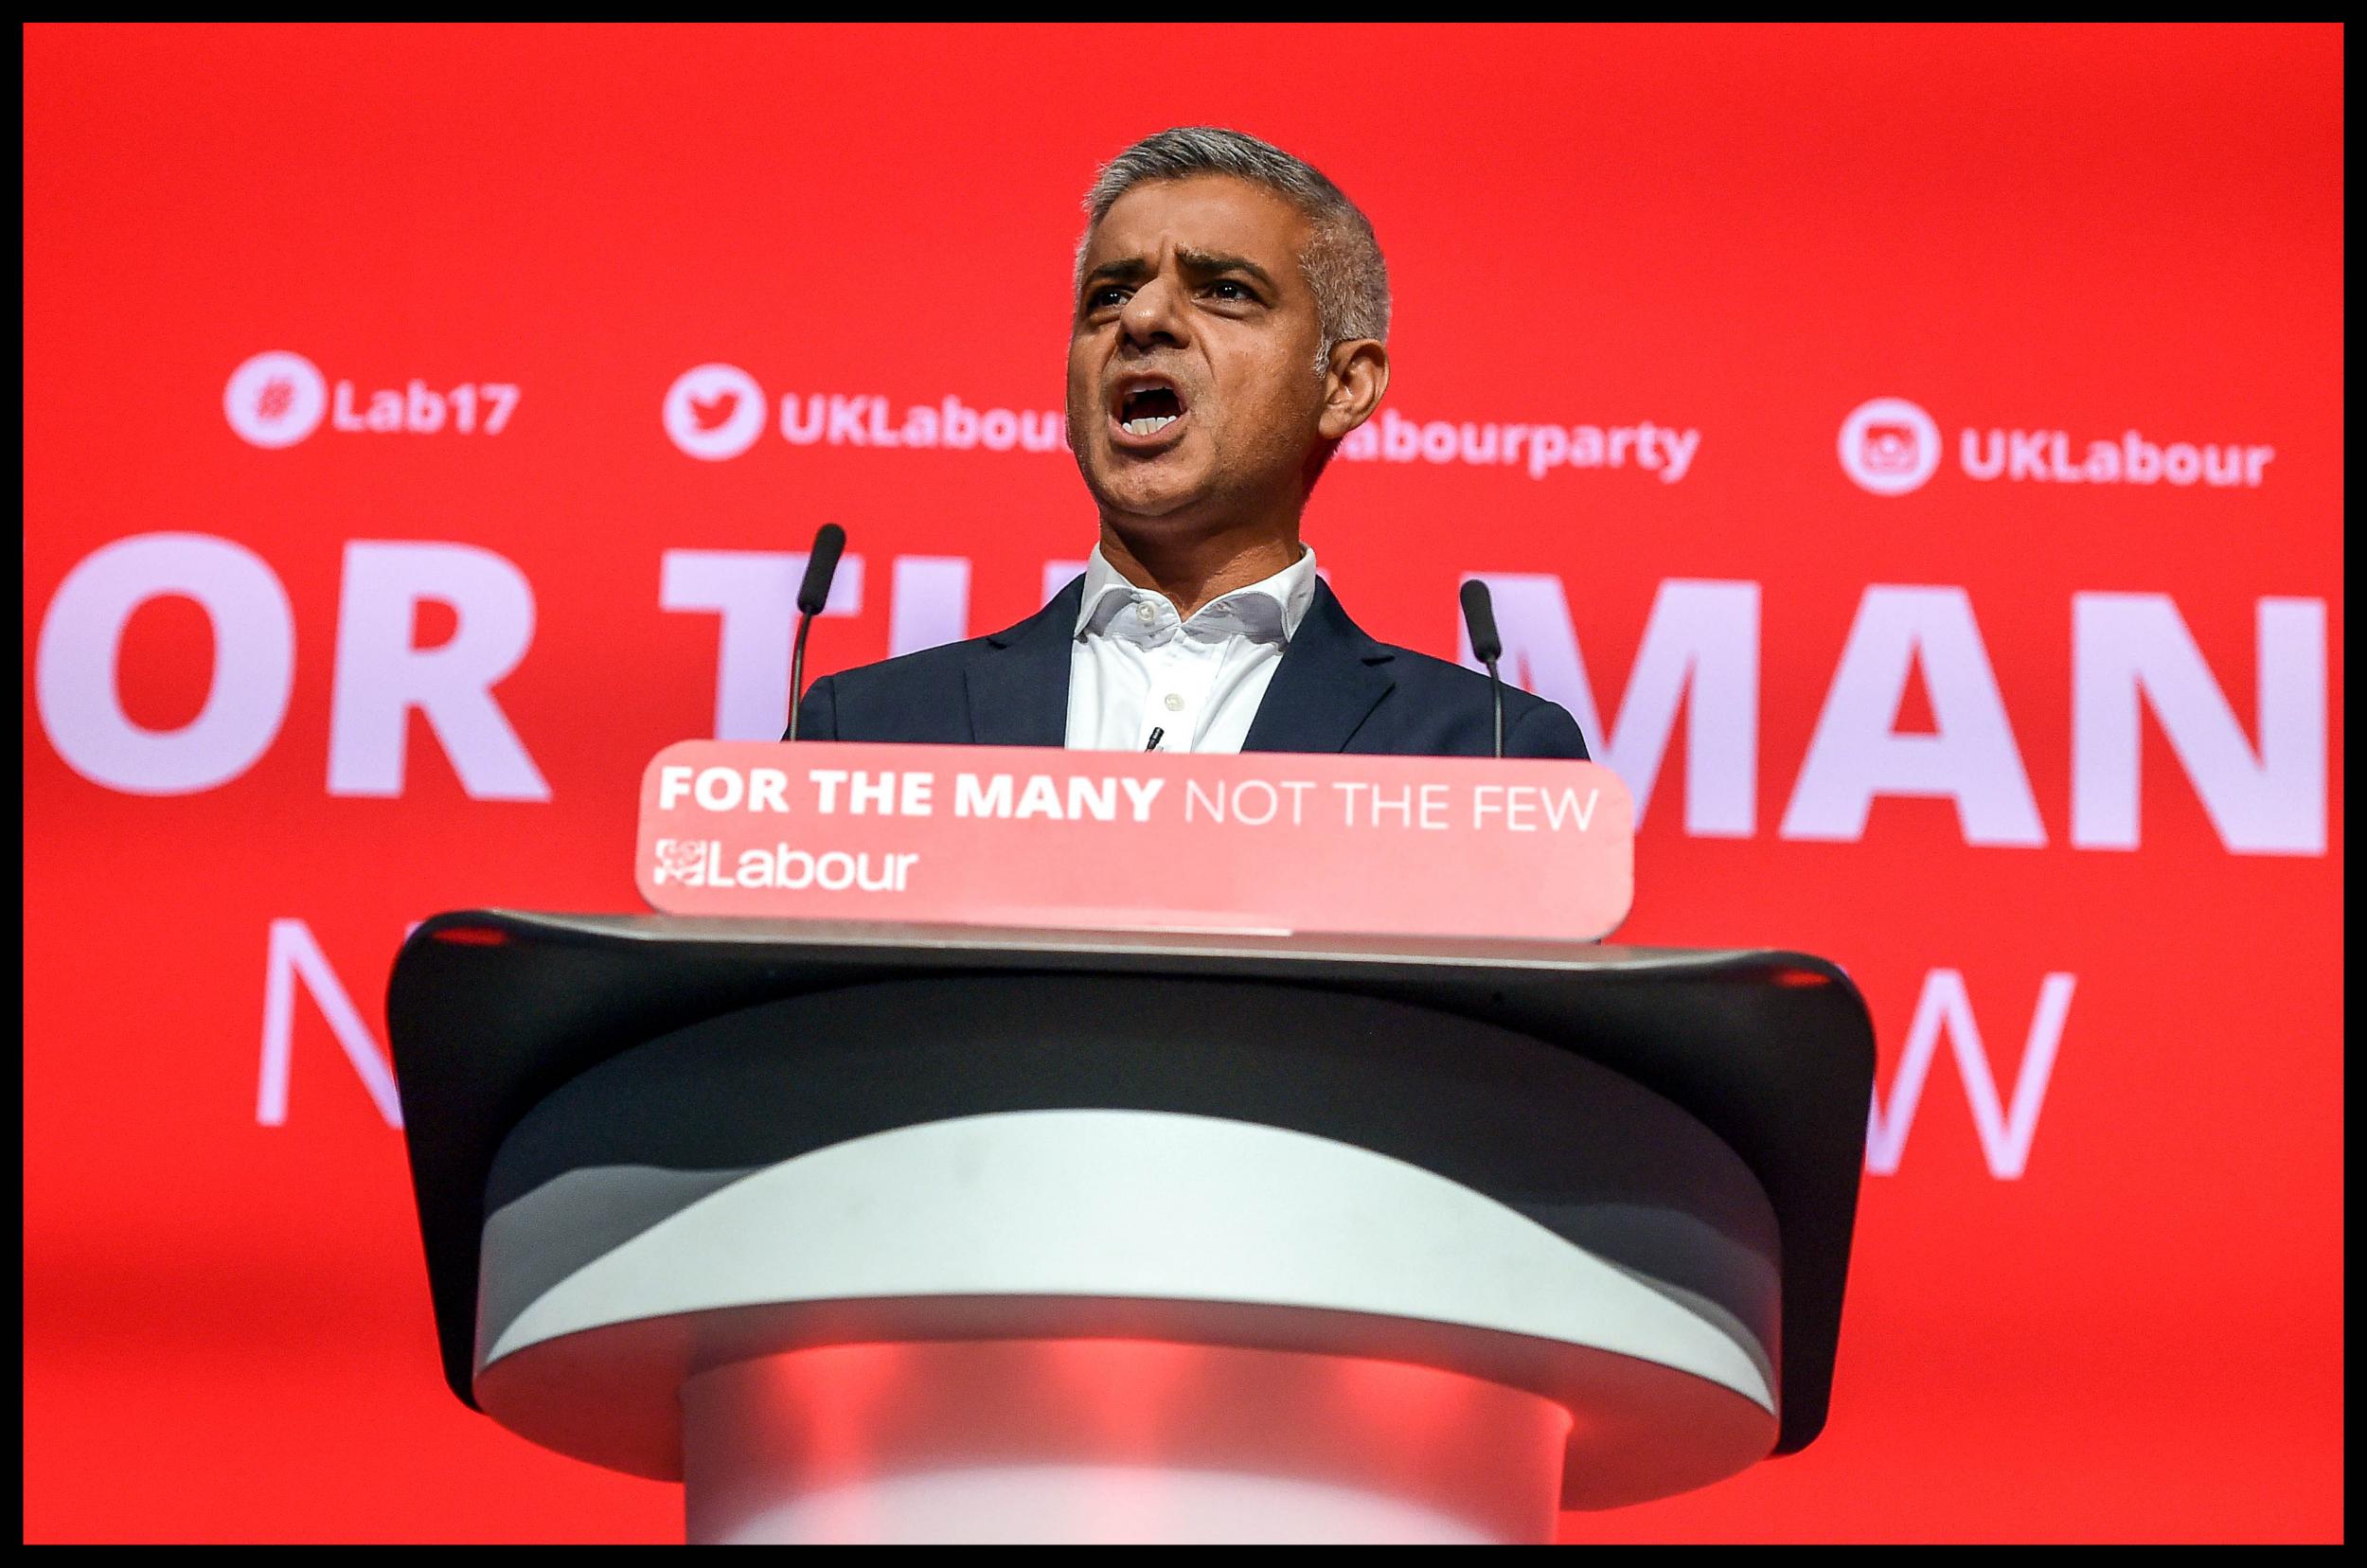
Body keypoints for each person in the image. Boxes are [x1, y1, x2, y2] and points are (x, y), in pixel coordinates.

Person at [790, 126, 1589, 760]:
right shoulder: (865, 730)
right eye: (1110, 295)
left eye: (1226, 292)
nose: (1141, 320)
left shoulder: (1484, 756)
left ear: (1344, 386)